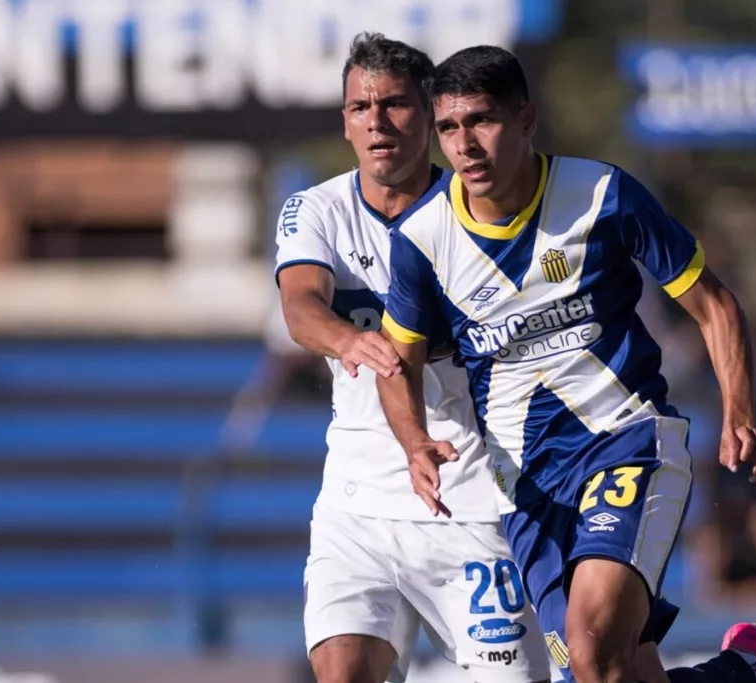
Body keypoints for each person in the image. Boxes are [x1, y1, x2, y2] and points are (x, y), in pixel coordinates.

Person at [376, 45, 756, 683]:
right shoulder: (422, 241)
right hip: (526, 488)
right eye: (449, 128)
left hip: (626, 442)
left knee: (593, 650)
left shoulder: (600, 193)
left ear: (526, 119)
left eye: (482, 120)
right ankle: (744, 674)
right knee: (604, 673)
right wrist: (413, 441)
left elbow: (714, 305)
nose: (466, 144)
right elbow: (397, 363)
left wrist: (738, 410)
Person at [274, 34, 551, 683]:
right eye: (359, 108)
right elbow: (300, 307)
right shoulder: (316, 210)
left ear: (428, 114)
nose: (377, 122)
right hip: (358, 505)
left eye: (395, 104)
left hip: (471, 501)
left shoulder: (479, 213)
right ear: (344, 122)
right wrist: (347, 339)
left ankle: (736, 673)